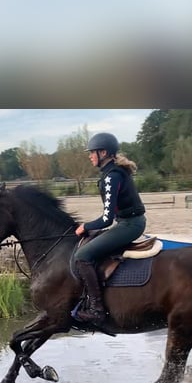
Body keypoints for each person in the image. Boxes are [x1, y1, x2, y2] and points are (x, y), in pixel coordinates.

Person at [74, 132, 146, 325]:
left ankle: (97, 309)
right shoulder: (112, 172)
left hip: (130, 225)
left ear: (103, 152)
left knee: (82, 256)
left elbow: (107, 219)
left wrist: (85, 226)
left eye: (92, 152)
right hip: (128, 222)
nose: (90, 156)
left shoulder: (111, 177)